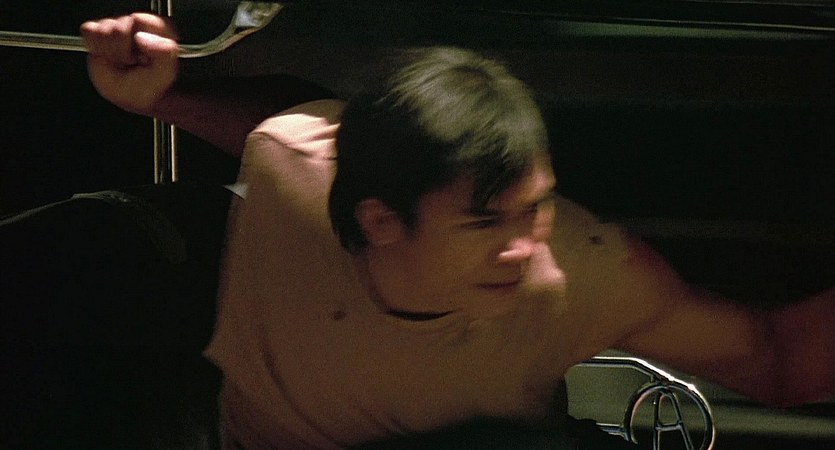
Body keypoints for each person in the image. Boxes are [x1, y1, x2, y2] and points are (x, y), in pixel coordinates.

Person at [33, 11, 835, 450]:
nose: (523, 248)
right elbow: (285, 127)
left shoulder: (579, 271)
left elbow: (775, 357)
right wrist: (156, 98)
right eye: (483, 221)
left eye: (535, 207)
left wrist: (167, 98)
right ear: (380, 220)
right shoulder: (290, 169)